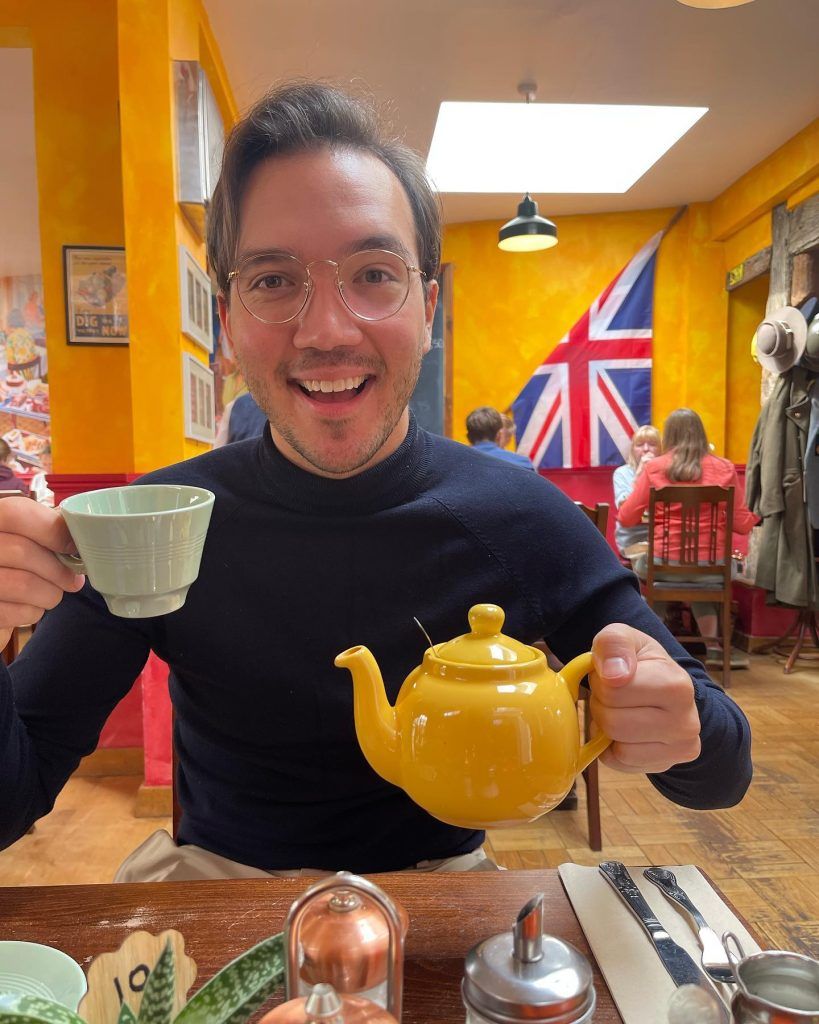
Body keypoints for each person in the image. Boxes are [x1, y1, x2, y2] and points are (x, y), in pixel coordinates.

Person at [0, 83, 751, 882]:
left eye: (373, 273)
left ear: (426, 309)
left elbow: (721, 772)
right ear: (228, 321)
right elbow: (11, 804)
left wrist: (674, 723)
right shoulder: (155, 524)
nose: (326, 330)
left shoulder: (518, 515)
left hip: (443, 898)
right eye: (273, 280)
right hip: (220, 894)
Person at [618, 408, 757, 668]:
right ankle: (714, 649)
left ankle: (651, 648)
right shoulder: (725, 468)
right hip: (714, 570)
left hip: (662, 566)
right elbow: (741, 524)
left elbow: (626, 518)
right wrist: (760, 516)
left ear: (669, 436)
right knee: (699, 577)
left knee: (651, 574)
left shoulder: (654, 468)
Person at [612, 425, 661, 558]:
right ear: (633, 450)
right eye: (640, 445)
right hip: (632, 539)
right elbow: (624, 510)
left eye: (652, 444)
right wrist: (639, 476)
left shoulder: (667, 472)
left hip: (661, 538)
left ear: (660, 449)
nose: (646, 449)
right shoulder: (621, 473)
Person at [466, 406, 536, 471]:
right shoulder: (523, 464)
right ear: (499, 435)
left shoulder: (460, 461)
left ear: (468, 436)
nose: (509, 440)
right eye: (508, 437)